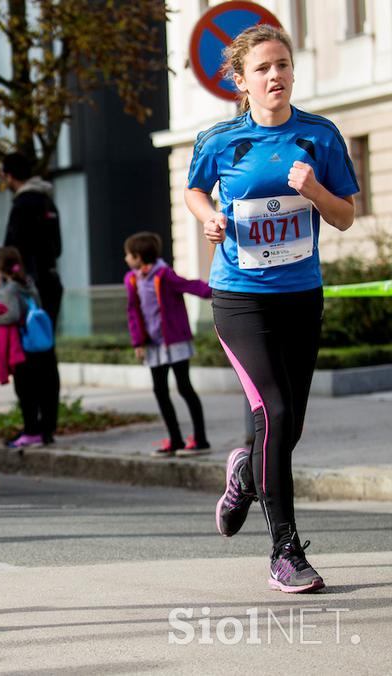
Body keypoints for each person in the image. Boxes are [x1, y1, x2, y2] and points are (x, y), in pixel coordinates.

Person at [185, 25, 357, 593]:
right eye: (262, 68)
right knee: (277, 412)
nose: (275, 75)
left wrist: (315, 191)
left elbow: (345, 217)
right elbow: (194, 189)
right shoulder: (219, 140)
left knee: (288, 425)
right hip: (240, 296)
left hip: (301, 296)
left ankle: (243, 473)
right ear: (240, 81)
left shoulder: (321, 136)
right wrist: (207, 216)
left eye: (282, 64)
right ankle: (284, 550)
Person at [123, 231, 212, 457]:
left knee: (184, 388)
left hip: (175, 342)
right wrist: (138, 343)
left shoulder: (164, 275)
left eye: (128, 255)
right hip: (153, 345)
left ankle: (201, 440)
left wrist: (216, 291)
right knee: (160, 391)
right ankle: (175, 440)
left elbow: (189, 286)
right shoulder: (132, 279)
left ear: (138, 256)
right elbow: (133, 311)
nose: (126, 259)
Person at [1, 153, 61, 446]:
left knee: (24, 359)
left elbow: (14, 251)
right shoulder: (48, 200)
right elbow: (57, 247)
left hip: (27, 290)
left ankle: (31, 427)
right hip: (51, 283)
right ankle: (48, 427)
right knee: (47, 353)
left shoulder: (22, 204)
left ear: (8, 176)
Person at [0, 247, 53, 447]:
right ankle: (41, 431)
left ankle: (31, 431)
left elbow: (12, 315)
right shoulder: (28, 283)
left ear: (0, 267)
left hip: (23, 346)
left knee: (25, 391)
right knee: (39, 390)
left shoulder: (11, 289)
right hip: (38, 344)